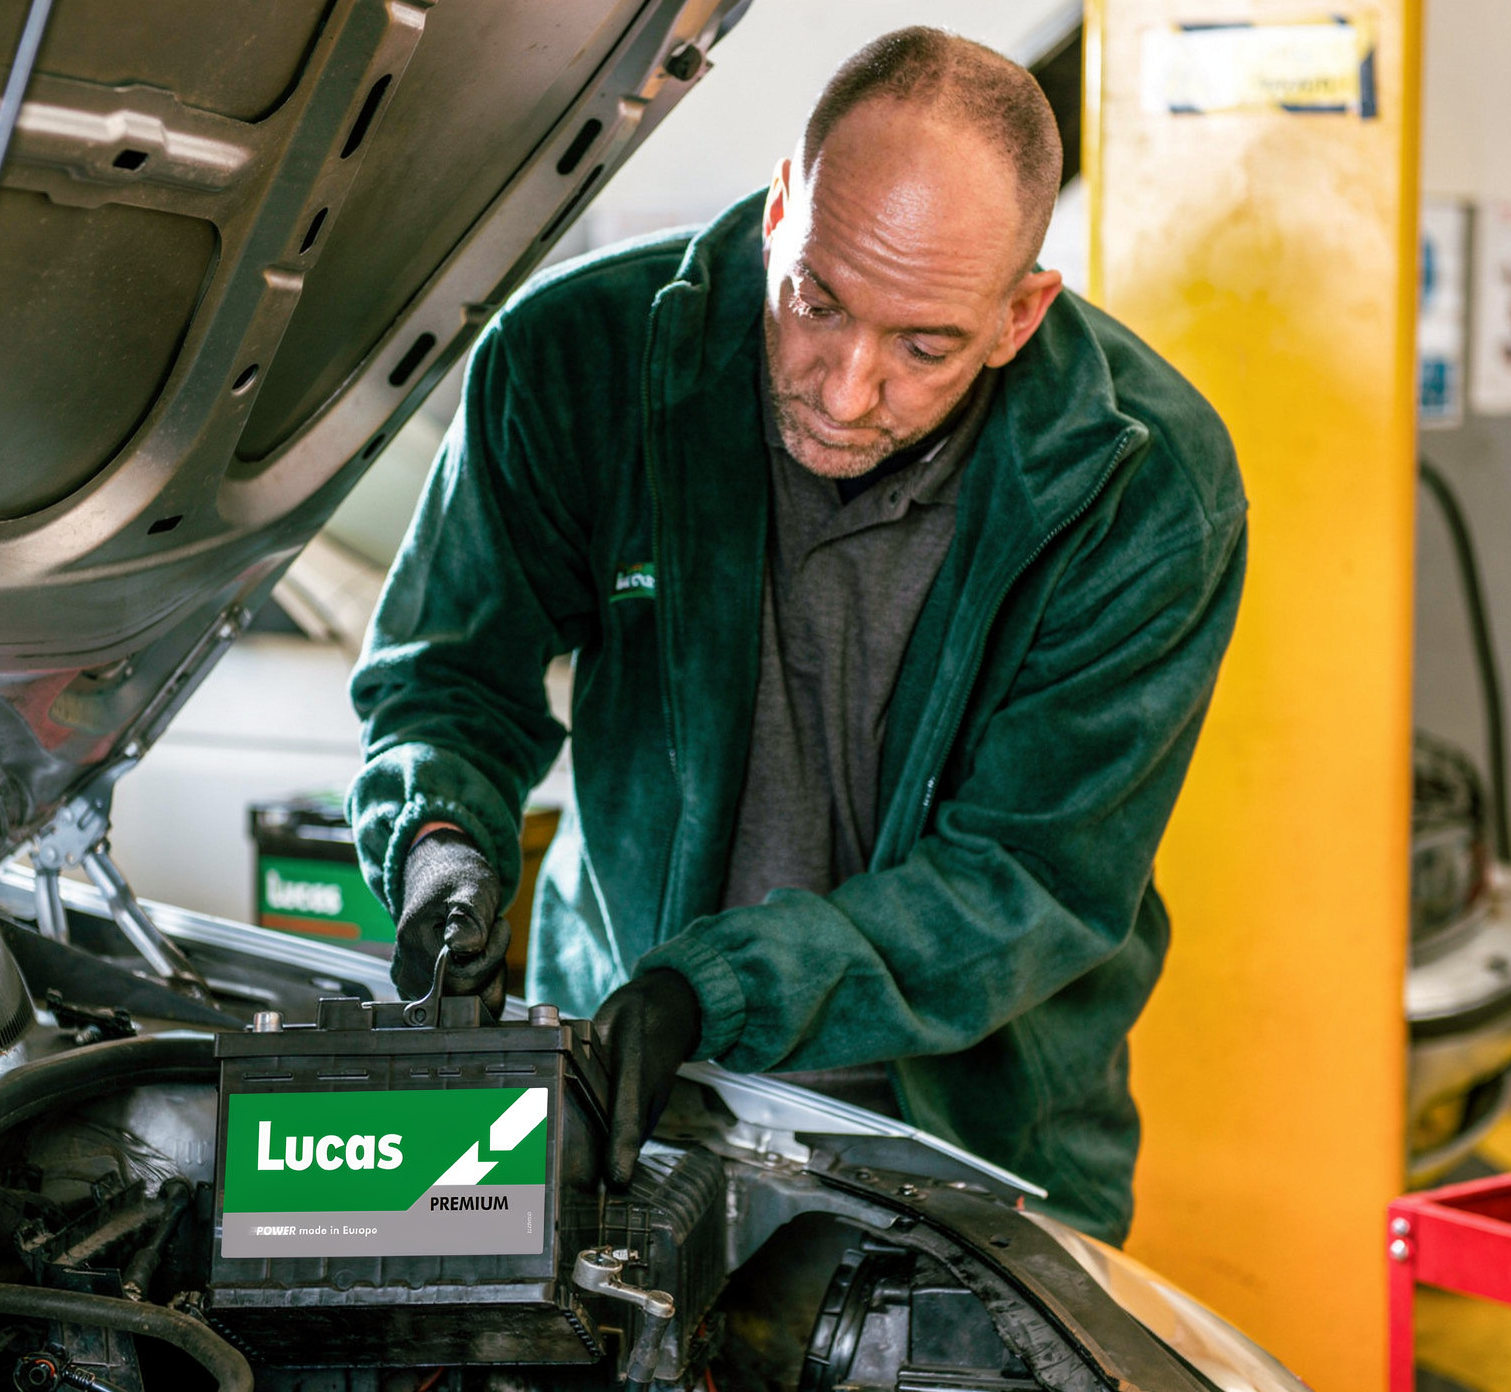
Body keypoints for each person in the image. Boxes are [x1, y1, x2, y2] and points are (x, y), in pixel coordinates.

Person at [348, 27, 1246, 1242]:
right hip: (620, 1088)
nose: (842, 386)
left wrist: (713, 987)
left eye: (922, 347)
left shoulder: (1139, 489)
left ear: (1020, 313)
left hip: (971, 1144)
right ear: (780, 207)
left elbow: (1027, 878)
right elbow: (446, 678)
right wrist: (440, 842)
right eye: (815, 301)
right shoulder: (579, 362)